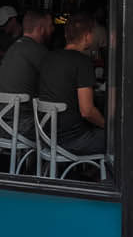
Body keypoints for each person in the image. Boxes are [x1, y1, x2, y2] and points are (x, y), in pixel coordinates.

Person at [38, 10, 108, 159]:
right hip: (72, 141)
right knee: (120, 138)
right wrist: (108, 126)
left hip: (46, 136)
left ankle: (89, 171)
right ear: (88, 36)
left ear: (65, 35)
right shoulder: (82, 62)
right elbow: (87, 111)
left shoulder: (48, 57)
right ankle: (99, 178)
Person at [0, 9, 52, 131]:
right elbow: (56, 83)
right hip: (21, 123)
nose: (53, 29)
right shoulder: (36, 49)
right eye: (50, 26)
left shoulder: (15, 46)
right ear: (41, 29)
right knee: (62, 126)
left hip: (0, 122)